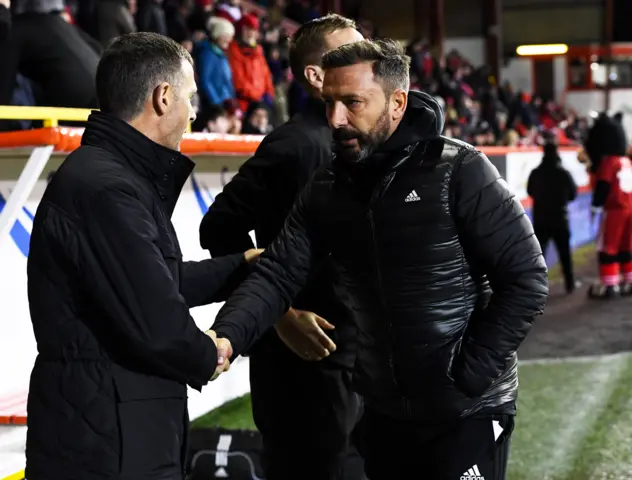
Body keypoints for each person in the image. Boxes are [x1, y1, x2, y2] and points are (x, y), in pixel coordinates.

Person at [210, 39, 548, 480]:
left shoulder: (462, 170)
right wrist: (227, 338)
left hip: (464, 415)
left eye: (352, 103)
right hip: (383, 414)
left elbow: (525, 280)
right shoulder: (327, 188)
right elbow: (276, 273)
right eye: (329, 103)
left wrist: (466, 376)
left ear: (397, 102)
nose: (336, 119)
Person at [25, 32, 260, 480]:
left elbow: (155, 280)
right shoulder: (106, 188)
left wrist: (239, 266)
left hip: (111, 425)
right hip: (108, 440)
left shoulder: (110, 177)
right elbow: (157, 322)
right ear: (163, 96)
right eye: (190, 98)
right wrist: (207, 353)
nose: (194, 112)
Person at [199, 14, 366, 480]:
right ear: (315, 76)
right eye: (352, 54)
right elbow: (217, 228)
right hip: (304, 369)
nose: (368, 63)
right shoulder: (293, 145)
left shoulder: (360, 140)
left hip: (357, 356)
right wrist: (280, 315)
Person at [584, 112, 632, 298]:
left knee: (608, 246)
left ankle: (610, 284)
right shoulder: (627, 161)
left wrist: (596, 205)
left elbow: (604, 185)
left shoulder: (609, 162)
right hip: (630, 208)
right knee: (626, 246)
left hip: (614, 209)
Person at [527, 141, 578, 293]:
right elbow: (573, 195)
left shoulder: (535, 172)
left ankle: (537, 287)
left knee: (539, 254)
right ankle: (570, 284)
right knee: (565, 254)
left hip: (541, 219)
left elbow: (530, 191)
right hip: (560, 218)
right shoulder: (564, 173)